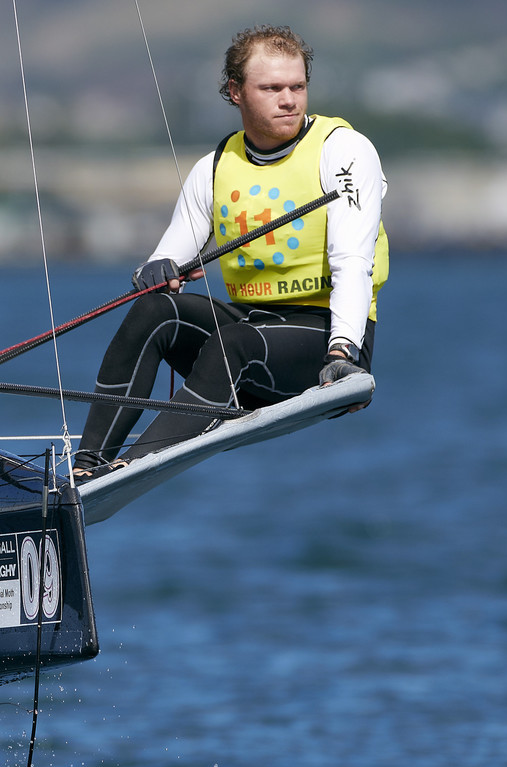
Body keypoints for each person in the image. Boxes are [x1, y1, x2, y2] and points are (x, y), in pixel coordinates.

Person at [73, 24, 388, 477]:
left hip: (324, 344)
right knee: (156, 311)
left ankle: (131, 467)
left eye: (298, 87)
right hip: (249, 334)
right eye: (272, 88)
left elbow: (352, 263)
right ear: (235, 91)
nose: (289, 100)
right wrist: (154, 271)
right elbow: (165, 260)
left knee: (235, 342)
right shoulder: (215, 168)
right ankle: (88, 466)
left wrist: (343, 355)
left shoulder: (344, 152)